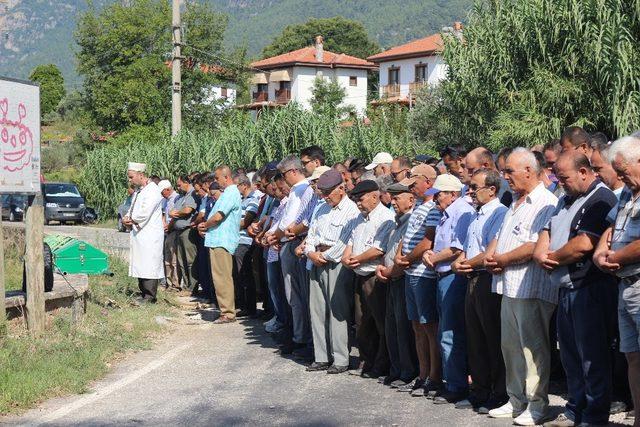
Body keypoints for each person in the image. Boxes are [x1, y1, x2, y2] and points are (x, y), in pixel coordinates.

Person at [533, 152, 617, 427]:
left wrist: (552, 258)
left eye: (565, 177)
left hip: (589, 289)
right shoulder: (565, 199)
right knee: (570, 356)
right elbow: (546, 230)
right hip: (566, 289)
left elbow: (584, 244)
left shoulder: (601, 199)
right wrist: (542, 253)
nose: (560, 182)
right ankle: (574, 410)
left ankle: (593, 417)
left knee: (592, 357)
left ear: (584, 172)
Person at [485, 148, 558, 425]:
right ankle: (515, 399)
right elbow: (501, 235)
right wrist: (493, 256)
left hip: (532, 287)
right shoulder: (516, 201)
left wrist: (501, 259)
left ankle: (537, 405)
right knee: (511, 346)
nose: (505, 177)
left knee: (533, 348)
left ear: (529, 170)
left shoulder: (545, 203)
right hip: (508, 285)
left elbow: (533, 245)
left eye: (510, 172)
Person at [451, 168, 508, 413]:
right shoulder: (476, 215)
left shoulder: (499, 213)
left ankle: (498, 392)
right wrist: (460, 262)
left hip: (487, 279)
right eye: (470, 187)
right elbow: (468, 247)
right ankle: (480, 390)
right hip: (471, 278)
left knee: (491, 338)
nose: (470, 192)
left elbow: (489, 253)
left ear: (492, 189)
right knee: (475, 338)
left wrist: (466, 263)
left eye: (474, 187)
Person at [593, 135, 640, 427]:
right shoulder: (626, 193)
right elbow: (611, 228)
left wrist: (617, 256)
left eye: (623, 171)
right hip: (624, 284)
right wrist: (601, 254)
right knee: (633, 356)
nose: (620, 177)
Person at [422, 174, 475, 405]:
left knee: (450, 332)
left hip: (453, 276)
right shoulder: (448, 212)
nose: (435, 198)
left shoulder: (461, 211)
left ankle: (457, 385)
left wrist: (432, 256)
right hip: (442, 274)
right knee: (445, 329)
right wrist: (430, 254)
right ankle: (452, 381)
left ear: (453, 194)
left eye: (439, 193)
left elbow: (456, 248)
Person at [305, 169, 360, 374]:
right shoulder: (321, 209)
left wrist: (325, 257)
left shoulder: (351, 210)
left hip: (335, 262)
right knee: (317, 310)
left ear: (341, 188)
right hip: (316, 260)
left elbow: (345, 240)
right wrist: (311, 253)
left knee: (338, 311)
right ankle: (321, 356)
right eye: (323, 192)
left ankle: (340, 358)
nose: (326, 196)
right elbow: (311, 234)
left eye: (329, 192)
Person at [395, 164, 443, 397]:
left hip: (423, 274)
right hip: (411, 272)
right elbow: (408, 237)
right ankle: (422, 374)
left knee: (429, 327)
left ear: (428, 181)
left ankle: (434, 377)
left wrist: (406, 259)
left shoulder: (433, 208)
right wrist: (400, 257)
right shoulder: (418, 207)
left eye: (414, 183)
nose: (412, 188)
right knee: (417, 326)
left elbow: (428, 242)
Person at [342, 180, 396, 378]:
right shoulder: (359, 218)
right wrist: (346, 258)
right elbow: (350, 241)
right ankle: (367, 361)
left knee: (380, 324)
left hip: (375, 276)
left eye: (361, 199)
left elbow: (378, 249)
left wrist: (355, 259)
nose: (358, 203)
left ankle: (382, 365)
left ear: (375, 196)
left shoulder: (386, 217)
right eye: (355, 199)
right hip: (359, 275)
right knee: (362, 322)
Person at [269, 155, 316, 356]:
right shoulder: (298, 191)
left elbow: (294, 222)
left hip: (294, 242)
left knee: (297, 295)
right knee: (292, 295)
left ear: (293, 172)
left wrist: (276, 236)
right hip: (288, 242)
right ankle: (298, 335)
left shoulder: (303, 189)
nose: (283, 178)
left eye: (283, 174)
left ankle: (301, 338)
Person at [375, 182, 418, 387]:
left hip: (401, 278)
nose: (392, 201)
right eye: (391, 197)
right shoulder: (396, 222)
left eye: (396, 197)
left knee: (403, 328)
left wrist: (392, 271)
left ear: (410, 199)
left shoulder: (411, 221)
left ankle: (407, 372)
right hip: (391, 277)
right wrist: (381, 268)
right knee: (391, 326)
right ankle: (397, 369)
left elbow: (406, 256)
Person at [198, 165, 242, 324]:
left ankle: (228, 312)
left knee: (222, 277)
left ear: (226, 177)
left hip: (222, 240)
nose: (216, 182)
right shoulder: (227, 193)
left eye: (217, 178)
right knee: (220, 277)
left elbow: (218, 217)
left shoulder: (231, 193)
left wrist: (205, 225)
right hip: (218, 239)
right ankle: (225, 309)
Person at [123, 162, 165, 303]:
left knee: (149, 264)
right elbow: (132, 209)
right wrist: (127, 218)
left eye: (131, 177)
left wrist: (132, 219)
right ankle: (143, 292)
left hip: (149, 235)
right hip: (139, 233)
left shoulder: (152, 191)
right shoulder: (139, 191)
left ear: (141, 175)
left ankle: (150, 295)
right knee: (141, 263)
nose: (130, 180)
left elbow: (144, 212)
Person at [234, 172, 261, 317]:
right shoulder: (241, 199)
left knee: (244, 274)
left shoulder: (253, 200)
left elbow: (246, 222)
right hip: (238, 240)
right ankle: (243, 305)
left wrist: (229, 225)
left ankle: (249, 307)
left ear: (244, 185)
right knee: (239, 275)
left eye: (236, 185)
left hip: (245, 242)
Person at [170, 175, 199, 295]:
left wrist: (175, 213)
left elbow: (188, 210)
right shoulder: (182, 196)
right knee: (182, 261)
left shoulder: (192, 194)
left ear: (186, 182)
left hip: (187, 231)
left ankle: (193, 287)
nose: (178, 187)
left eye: (179, 184)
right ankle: (187, 286)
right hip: (179, 231)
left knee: (190, 260)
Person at [158, 179, 180, 290]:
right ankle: (168, 282)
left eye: (162, 192)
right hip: (166, 231)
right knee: (167, 258)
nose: (162, 194)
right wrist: (164, 224)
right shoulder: (165, 200)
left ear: (168, 189)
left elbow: (175, 216)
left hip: (173, 231)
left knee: (174, 259)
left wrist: (168, 226)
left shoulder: (176, 198)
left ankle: (176, 284)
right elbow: (163, 214)